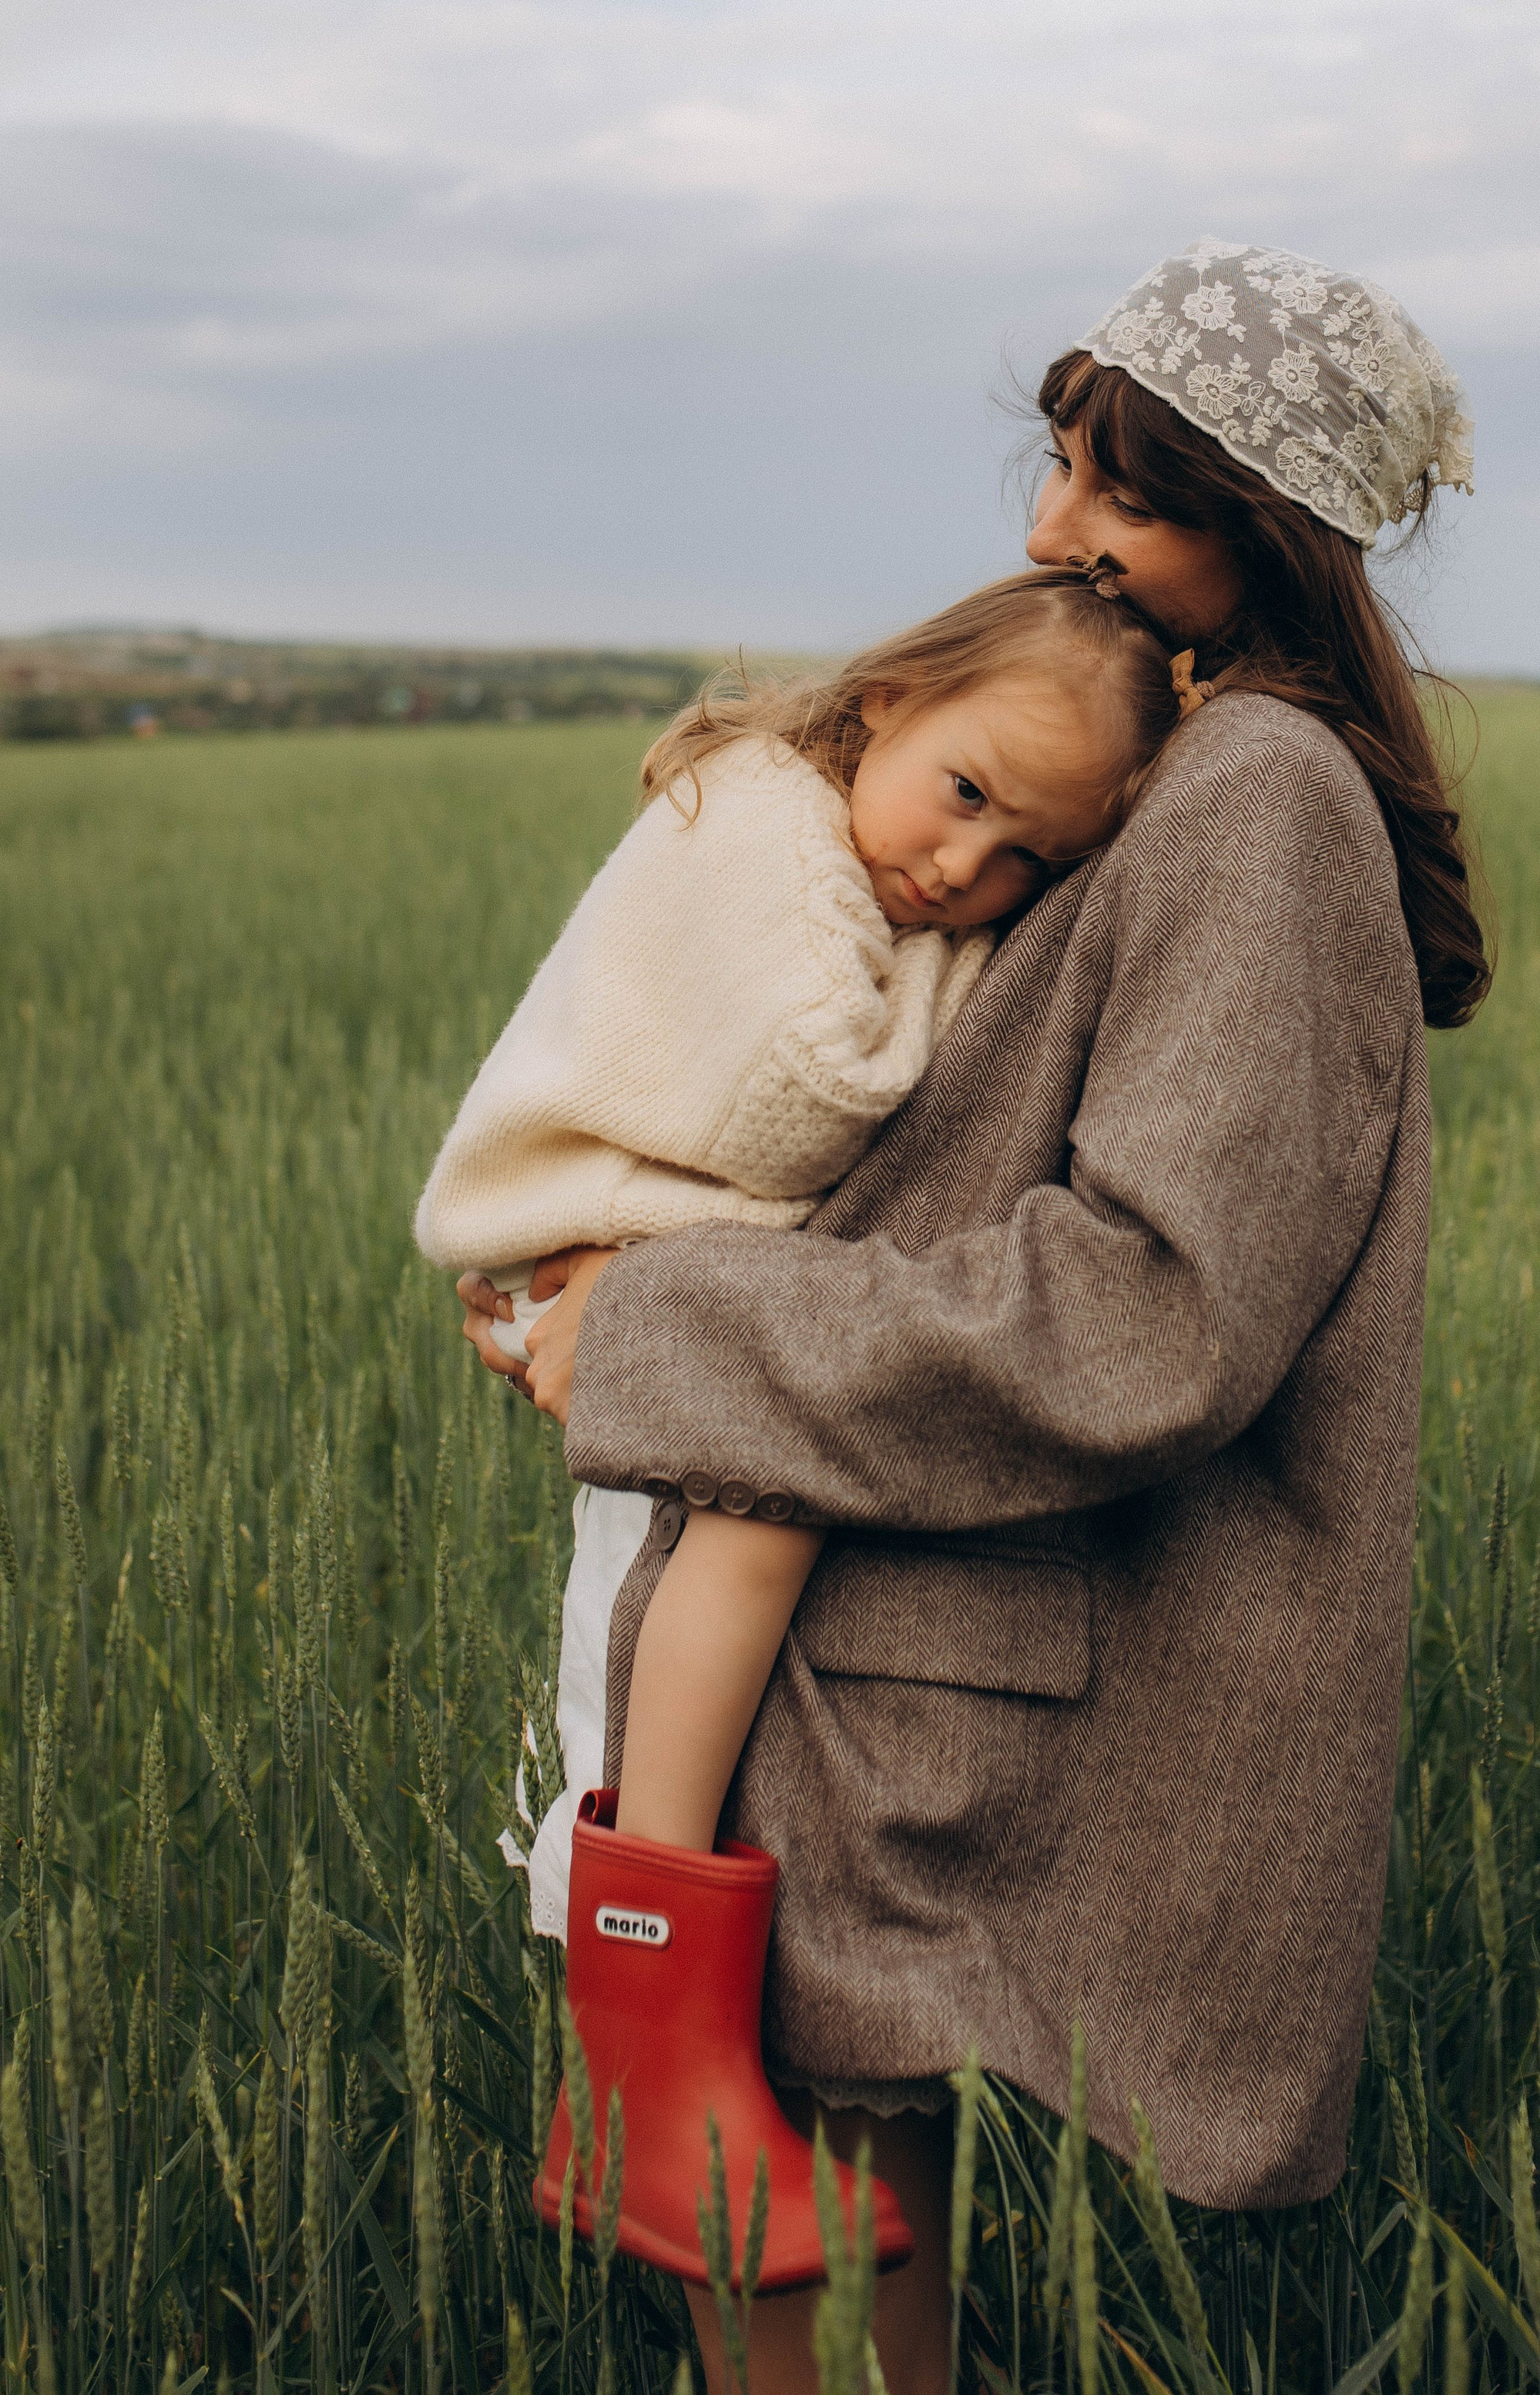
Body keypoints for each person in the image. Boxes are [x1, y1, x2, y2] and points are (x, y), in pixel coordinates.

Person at [463, 240, 1490, 2395]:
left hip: (917, 1682)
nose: (1048, 531)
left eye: (1125, 491)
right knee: (825, 2297)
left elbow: (1148, 1309)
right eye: (1057, 462)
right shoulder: (1185, 753)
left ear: (1270, 528)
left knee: (806, 2315)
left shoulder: (1259, 795)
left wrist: (659, 1335)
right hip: (885, 1637)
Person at [420, 569, 1182, 2288]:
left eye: (1026, 864)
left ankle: (652, 2066)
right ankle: (645, 2030)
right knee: (758, 1521)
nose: (961, 872)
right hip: (605, 1237)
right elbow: (812, 1085)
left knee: (752, 1527)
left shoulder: (852, 833)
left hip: (654, 1268)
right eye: (964, 794)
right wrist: (986, 996)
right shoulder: (763, 825)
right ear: (888, 698)